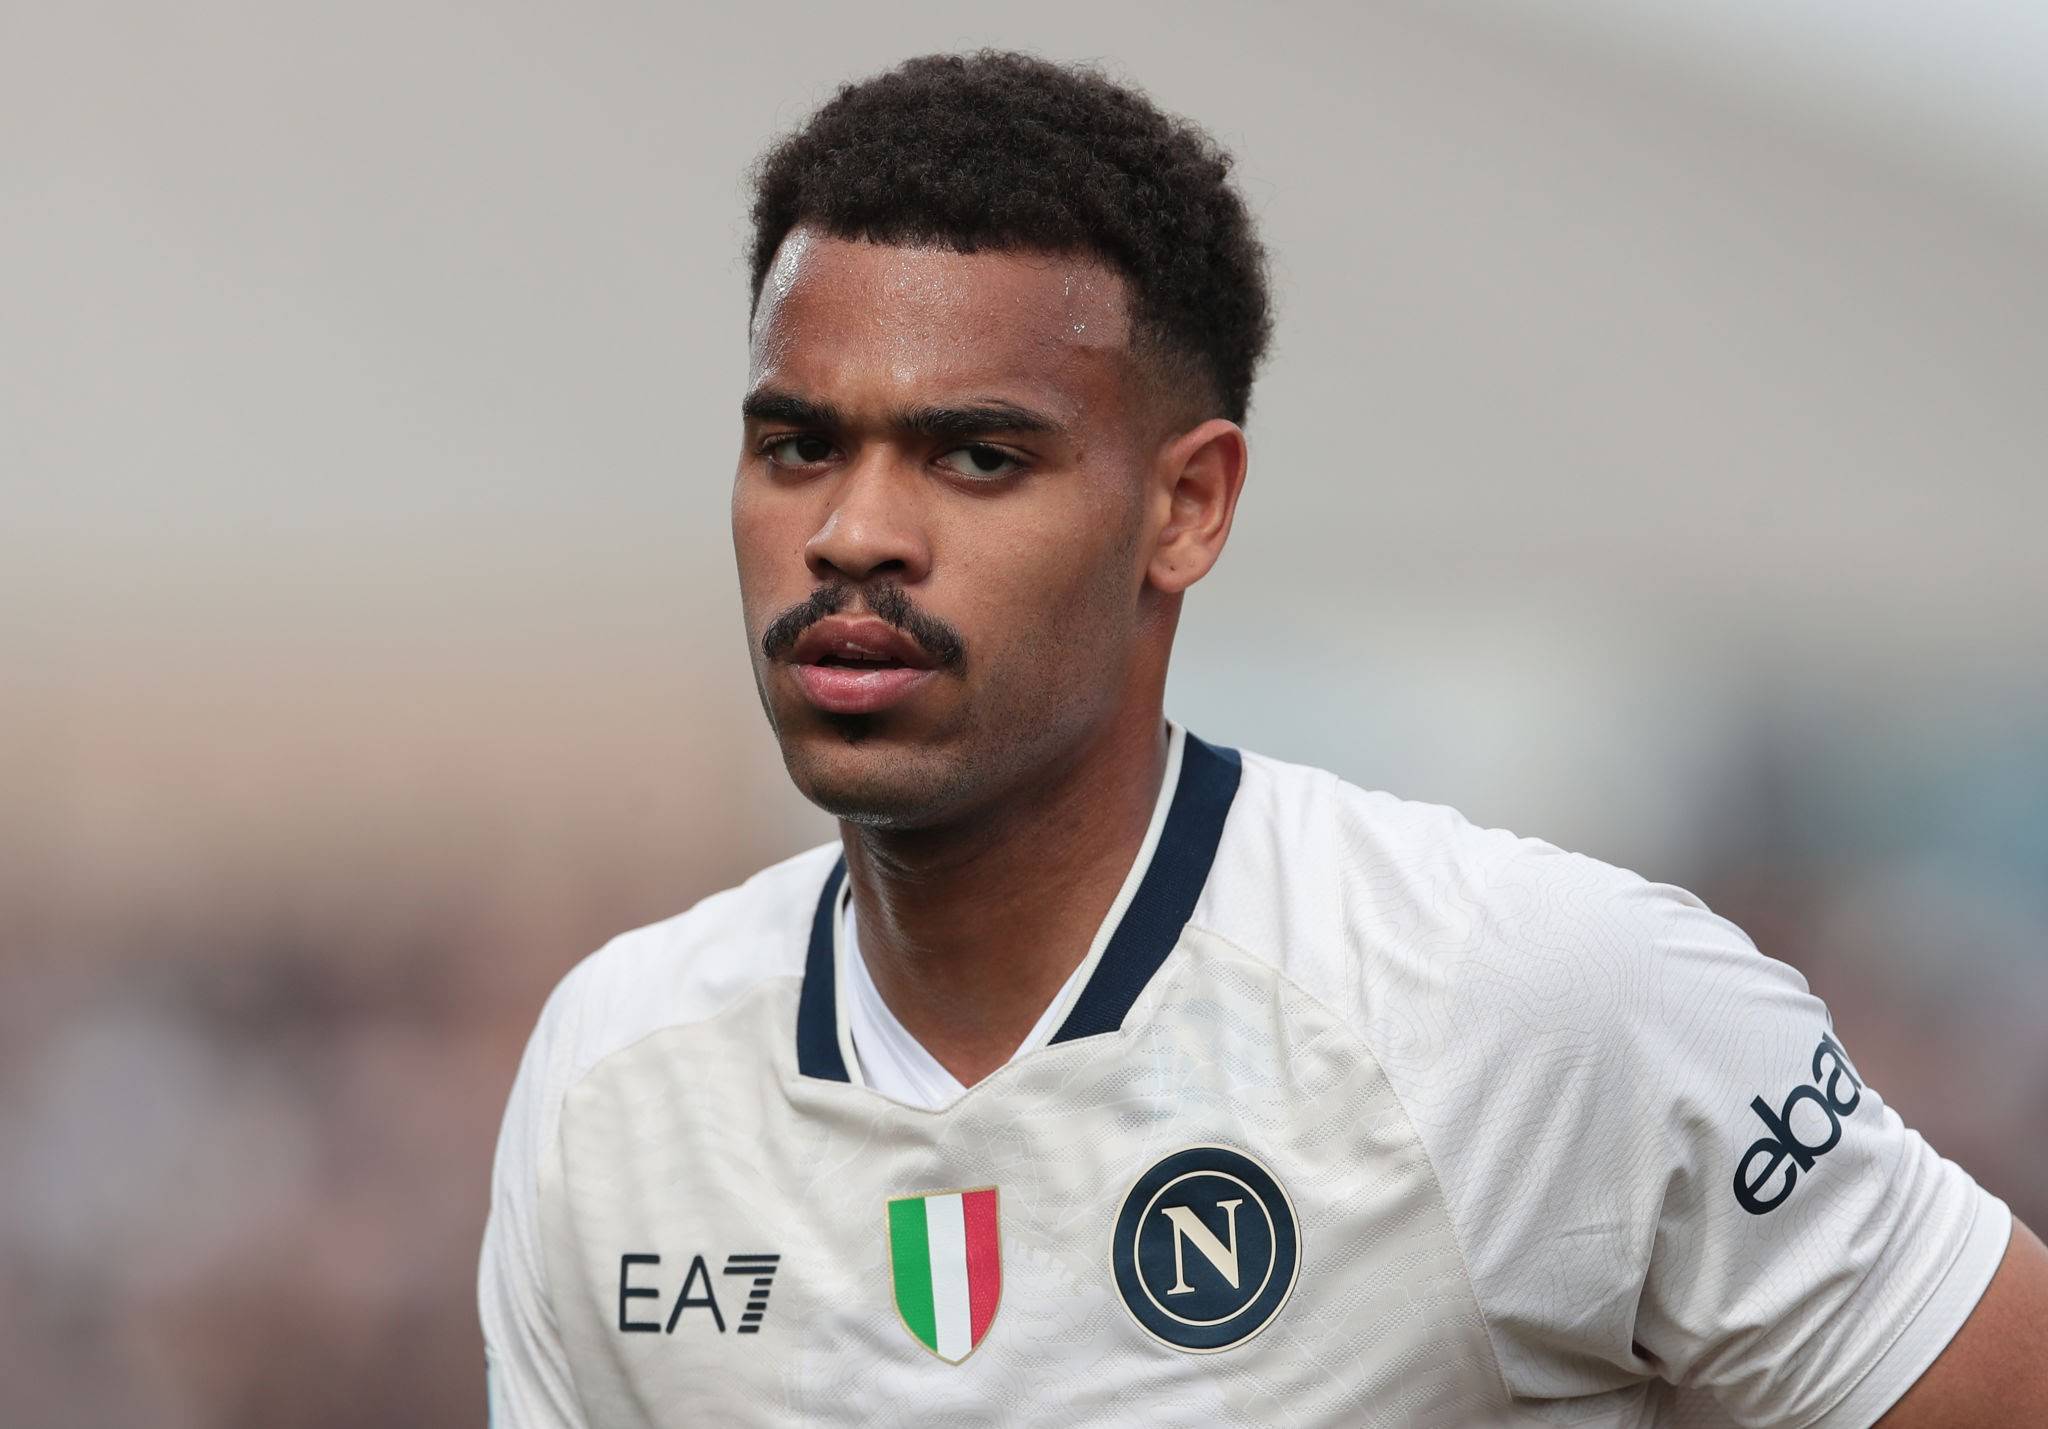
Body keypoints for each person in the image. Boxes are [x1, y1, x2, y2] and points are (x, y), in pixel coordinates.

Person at [478, 50, 2046, 1427]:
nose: (855, 531)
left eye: (975, 455)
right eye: (799, 445)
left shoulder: (1531, 1002)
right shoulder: (613, 1070)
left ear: (1187, 504)